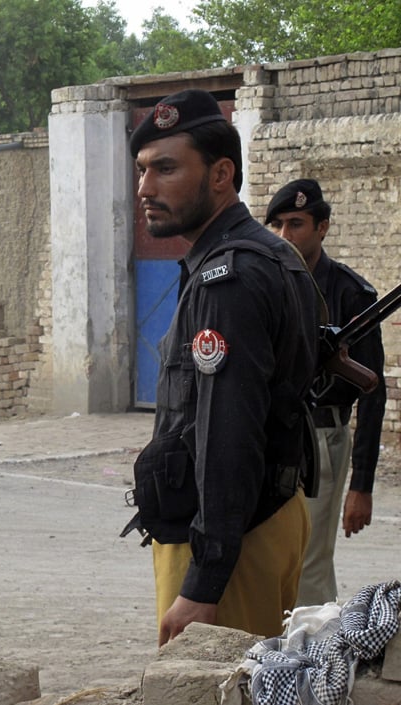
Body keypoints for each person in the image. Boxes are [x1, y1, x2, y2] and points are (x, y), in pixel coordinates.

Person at [126, 89, 321, 644]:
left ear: (221, 174)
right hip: (265, 520)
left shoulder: (228, 277)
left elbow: (227, 433)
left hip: (230, 539)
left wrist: (205, 582)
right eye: (142, 171)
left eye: (166, 169)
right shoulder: (267, 252)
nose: (146, 188)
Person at [265, 178, 386, 607]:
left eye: (296, 223)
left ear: (323, 227)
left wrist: (363, 484)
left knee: (309, 564)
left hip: (322, 437)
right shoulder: (268, 284)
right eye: (277, 224)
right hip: (271, 434)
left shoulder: (350, 293)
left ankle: (313, 662)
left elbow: (372, 389)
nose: (285, 235)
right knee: (267, 556)